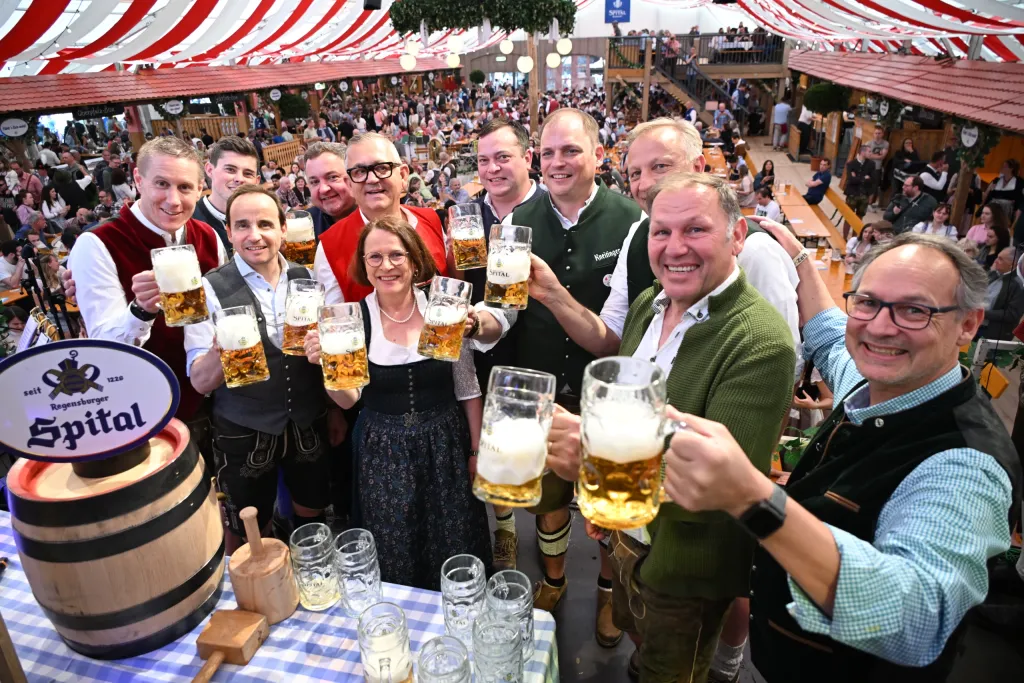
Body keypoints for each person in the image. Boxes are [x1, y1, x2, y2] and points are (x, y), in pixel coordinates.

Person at [665, 225, 1020, 682]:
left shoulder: (966, 464)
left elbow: (917, 618)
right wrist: (799, 261)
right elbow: (832, 334)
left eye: (914, 310)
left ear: (967, 325)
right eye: (868, 302)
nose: (880, 326)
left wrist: (752, 498)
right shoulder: (882, 384)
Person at [539, 173, 796, 683]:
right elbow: (628, 420)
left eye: (695, 230)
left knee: (671, 671)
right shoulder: (648, 304)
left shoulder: (761, 342)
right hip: (628, 539)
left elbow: (720, 486)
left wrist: (590, 461)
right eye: (661, 232)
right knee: (640, 640)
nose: (674, 247)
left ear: (737, 235)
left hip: (688, 565)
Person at [502, 108, 644, 616]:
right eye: (547, 152)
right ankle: (555, 579)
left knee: (607, 503)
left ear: (599, 156)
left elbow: (639, 323)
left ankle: (609, 592)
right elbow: (507, 306)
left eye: (571, 150)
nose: (557, 162)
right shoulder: (517, 219)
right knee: (548, 500)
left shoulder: (632, 221)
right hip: (540, 383)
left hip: (605, 391)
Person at [303, 216, 492, 590]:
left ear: (415, 259)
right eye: (374, 257)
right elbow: (349, 397)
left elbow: (467, 387)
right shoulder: (352, 318)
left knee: (454, 542)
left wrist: (475, 451)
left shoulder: (443, 307)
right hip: (381, 451)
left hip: (445, 445)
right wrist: (329, 367)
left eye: (396, 255)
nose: (386, 266)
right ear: (363, 263)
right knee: (394, 547)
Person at [184, 185, 334, 554]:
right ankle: (262, 592)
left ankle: (310, 572)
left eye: (265, 224)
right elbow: (200, 381)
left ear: (284, 229)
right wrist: (223, 350)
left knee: (312, 511)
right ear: (229, 232)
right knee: (249, 522)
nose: (255, 235)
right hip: (244, 428)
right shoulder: (208, 288)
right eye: (242, 225)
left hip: (307, 419)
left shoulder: (308, 277)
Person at [67, 137, 228, 431]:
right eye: (162, 184)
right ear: (138, 180)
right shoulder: (96, 245)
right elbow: (104, 350)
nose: (174, 200)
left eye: (185, 187)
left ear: (199, 187)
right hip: (142, 415)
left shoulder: (208, 236)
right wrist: (140, 311)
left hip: (218, 402)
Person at [314, 133, 449, 304]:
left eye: (382, 168)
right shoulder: (329, 247)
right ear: (349, 184)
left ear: (403, 175)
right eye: (360, 171)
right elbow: (334, 323)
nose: (371, 179)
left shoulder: (431, 219)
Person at [192, 136, 261, 254]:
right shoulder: (189, 221)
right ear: (209, 170)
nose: (239, 179)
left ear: (257, 181)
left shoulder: (265, 219)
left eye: (248, 173)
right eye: (230, 169)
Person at [304, 141, 357, 237]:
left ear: (353, 175)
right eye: (315, 182)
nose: (323, 189)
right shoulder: (304, 224)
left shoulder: (375, 215)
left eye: (332, 177)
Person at [982, 247, 1024, 341]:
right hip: (978, 324)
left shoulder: (1018, 285)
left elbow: (1012, 314)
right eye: (997, 257)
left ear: (1012, 264)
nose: (996, 261)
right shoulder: (993, 275)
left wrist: (983, 313)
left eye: (1000, 259)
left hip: (994, 333)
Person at [843, 145, 873, 221]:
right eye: (869, 151)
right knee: (848, 216)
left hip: (864, 194)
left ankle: (855, 233)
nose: (871, 153)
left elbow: (873, 180)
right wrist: (864, 178)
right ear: (863, 152)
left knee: (860, 217)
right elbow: (851, 180)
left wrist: (857, 178)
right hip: (852, 194)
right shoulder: (851, 164)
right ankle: (845, 233)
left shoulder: (871, 164)